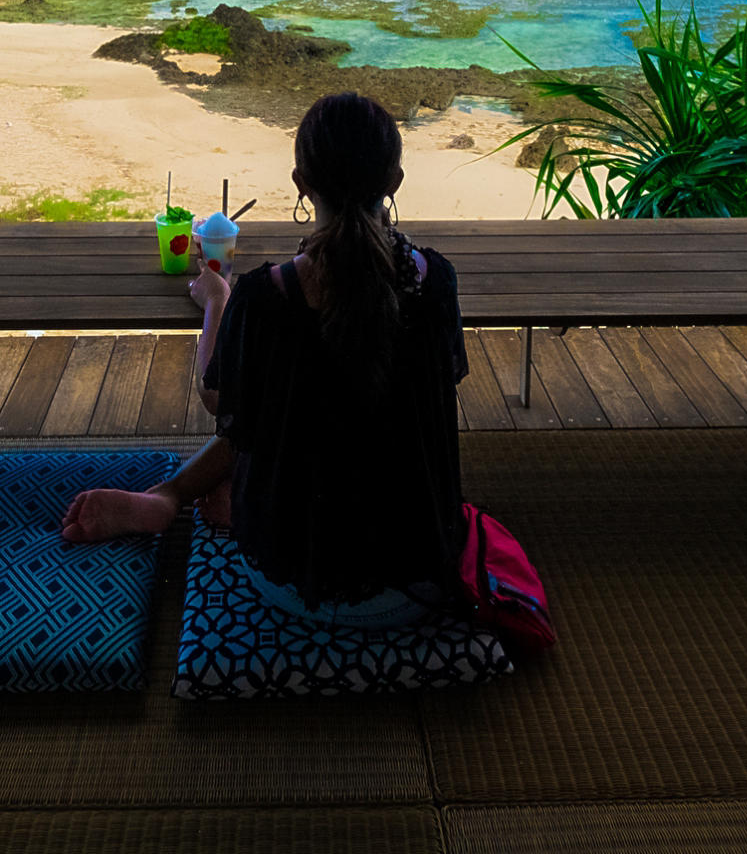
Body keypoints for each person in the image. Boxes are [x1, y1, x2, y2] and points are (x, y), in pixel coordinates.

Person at [61, 92, 470, 631]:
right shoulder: (435, 281)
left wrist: (216, 302)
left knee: (263, 404)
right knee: (316, 401)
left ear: (301, 183)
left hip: (293, 578)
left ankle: (175, 495)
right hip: (419, 576)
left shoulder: (265, 297)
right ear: (394, 182)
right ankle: (183, 494)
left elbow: (218, 398)